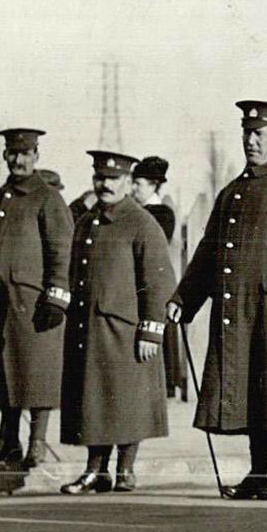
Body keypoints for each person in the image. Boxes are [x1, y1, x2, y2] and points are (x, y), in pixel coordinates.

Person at [168, 101, 267, 500]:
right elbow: (209, 251)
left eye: (260, 133)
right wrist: (184, 298)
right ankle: (259, 474)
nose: (252, 140)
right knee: (251, 392)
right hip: (240, 313)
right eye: (247, 132)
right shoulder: (233, 191)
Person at [58, 151, 176, 494]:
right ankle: (96, 471)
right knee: (95, 401)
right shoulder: (86, 222)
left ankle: (124, 470)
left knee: (127, 400)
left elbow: (158, 281)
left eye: (113, 179)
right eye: (99, 178)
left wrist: (151, 330)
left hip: (125, 329)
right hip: (91, 328)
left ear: (127, 181)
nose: (105, 184)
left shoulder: (141, 223)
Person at [0, 128, 73, 469]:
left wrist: (57, 297)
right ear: (5, 156)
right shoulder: (0, 198)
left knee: (36, 374)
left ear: (36, 156)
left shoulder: (47, 198)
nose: (18, 160)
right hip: (1, 303)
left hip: (34, 304)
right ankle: (8, 440)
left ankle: (37, 443)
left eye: (26, 154)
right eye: (13, 154)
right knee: (6, 374)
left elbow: (61, 252)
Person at [134, 156, 187, 400]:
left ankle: (165, 384)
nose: (134, 188)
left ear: (154, 185)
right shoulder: (135, 211)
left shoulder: (161, 213)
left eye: (139, 184)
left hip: (153, 279)